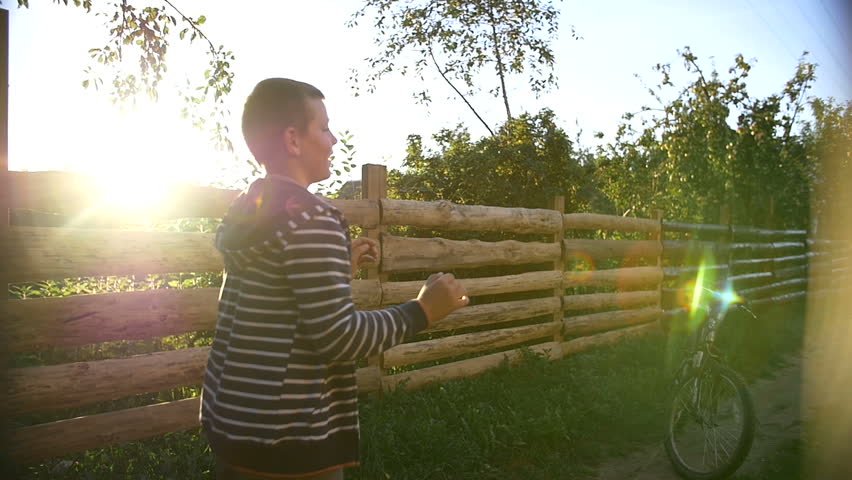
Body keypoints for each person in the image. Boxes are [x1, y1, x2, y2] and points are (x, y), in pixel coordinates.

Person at [199, 78, 469, 480]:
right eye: (324, 128)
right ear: (293, 139)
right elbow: (339, 338)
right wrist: (423, 310)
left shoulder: (247, 209)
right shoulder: (314, 218)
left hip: (234, 422)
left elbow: (268, 302)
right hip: (289, 437)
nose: (334, 140)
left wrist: (337, 271)